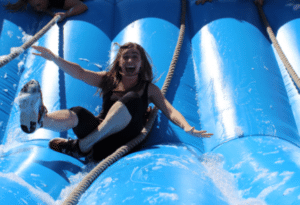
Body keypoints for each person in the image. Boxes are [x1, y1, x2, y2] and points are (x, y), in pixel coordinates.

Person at [18, 42, 213, 161]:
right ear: (119, 63)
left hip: (121, 142)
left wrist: (187, 127)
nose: (129, 60)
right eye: (125, 57)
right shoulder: (108, 80)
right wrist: (54, 58)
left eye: (134, 57)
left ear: (141, 63)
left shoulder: (148, 89)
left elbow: (169, 110)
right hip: (98, 141)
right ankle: (40, 120)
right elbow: (80, 73)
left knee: (133, 99)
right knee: (77, 112)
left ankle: (81, 146)